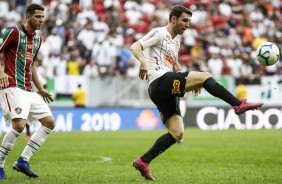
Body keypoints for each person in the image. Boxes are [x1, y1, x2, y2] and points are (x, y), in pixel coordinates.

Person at [130, 5, 263, 181]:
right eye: (184, 20)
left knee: (177, 133)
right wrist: (143, 61)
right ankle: (238, 104)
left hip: (164, 89)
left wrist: (190, 80)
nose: (187, 24)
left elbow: (175, 64)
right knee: (206, 75)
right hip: (158, 82)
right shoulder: (160, 33)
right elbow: (135, 46)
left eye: (189, 21)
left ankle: (143, 161)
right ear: (173, 19)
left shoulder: (175, 41)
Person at [0, 4, 55, 180]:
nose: (41, 20)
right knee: (19, 125)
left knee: (49, 122)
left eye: (42, 17)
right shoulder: (13, 32)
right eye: (38, 16)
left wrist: (40, 89)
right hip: (12, 86)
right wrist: (1, 72)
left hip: (29, 89)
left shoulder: (38, 39)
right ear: (28, 16)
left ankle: (23, 160)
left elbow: (32, 66)